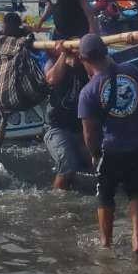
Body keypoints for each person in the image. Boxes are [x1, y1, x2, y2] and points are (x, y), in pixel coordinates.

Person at [77, 33, 138, 253]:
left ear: (84, 59)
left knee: (105, 196)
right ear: (105, 51)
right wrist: (134, 107)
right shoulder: (130, 72)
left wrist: (94, 154)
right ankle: (137, 239)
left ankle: (106, 242)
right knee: (135, 191)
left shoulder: (88, 91)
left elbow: (89, 133)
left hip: (111, 148)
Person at [43, 49, 94, 191]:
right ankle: (58, 200)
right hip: (56, 127)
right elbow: (51, 79)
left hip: (79, 128)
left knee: (98, 164)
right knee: (68, 166)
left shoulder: (85, 66)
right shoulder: (53, 63)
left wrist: (84, 58)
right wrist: (64, 54)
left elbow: (98, 76)